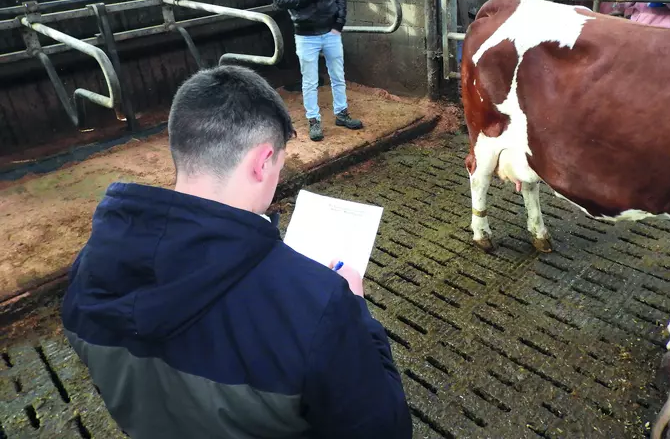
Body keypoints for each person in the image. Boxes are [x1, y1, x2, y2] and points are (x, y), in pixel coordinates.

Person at [61, 66, 412, 439]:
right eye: (279, 162)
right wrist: (356, 312)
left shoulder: (87, 270)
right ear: (262, 162)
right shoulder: (322, 303)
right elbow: (386, 428)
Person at [274, 0, 363, 142]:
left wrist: (338, 24)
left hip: (330, 30)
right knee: (310, 80)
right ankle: (314, 120)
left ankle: (341, 113)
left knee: (338, 76)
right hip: (305, 34)